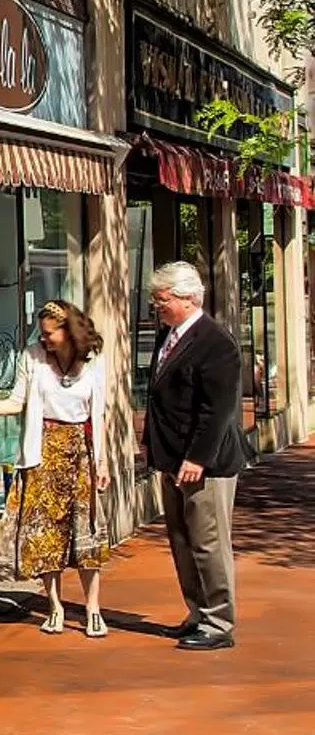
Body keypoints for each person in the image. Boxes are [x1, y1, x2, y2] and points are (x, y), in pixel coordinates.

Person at [0, 300, 112, 637]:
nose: (44, 339)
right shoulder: (33, 356)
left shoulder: (94, 359)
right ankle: (54, 605)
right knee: (44, 534)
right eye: (43, 333)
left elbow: (101, 414)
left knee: (87, 533)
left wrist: (103, 461)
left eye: (50, 333)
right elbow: (16, 402)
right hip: (43, 451)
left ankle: (93, 607)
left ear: (69, 331)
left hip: (81, 451)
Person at [143, 261, 245, 651]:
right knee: (182, 539)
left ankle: (219, 621)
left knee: (208, 541)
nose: (158, 306)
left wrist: (197, 458)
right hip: (171, 459)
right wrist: (153, 446)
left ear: (187, 298)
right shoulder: (168, 336)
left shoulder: (215, 343)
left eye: (163, 299)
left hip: (205, 463)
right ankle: (198, 611)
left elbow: (216, 410)